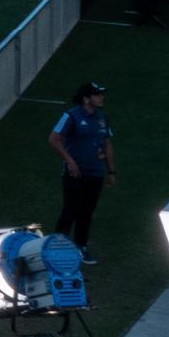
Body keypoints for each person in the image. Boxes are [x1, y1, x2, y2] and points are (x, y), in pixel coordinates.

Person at [48, 82, 115, 256]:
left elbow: (107, 143)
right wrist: (70, 161)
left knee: (87, 211)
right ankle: (57, 247)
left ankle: (81, 246)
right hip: (75, 174)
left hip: (96, 173)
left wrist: (111, 171)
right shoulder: (71, 116)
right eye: (97, 94)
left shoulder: (102, 117)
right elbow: (54, 139)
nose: (102, 97)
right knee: (71, 209)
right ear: (86, 99)